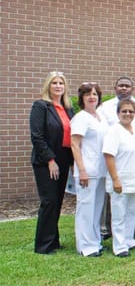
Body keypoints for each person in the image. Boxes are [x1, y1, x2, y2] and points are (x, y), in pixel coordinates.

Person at [97, 76, 135, 238]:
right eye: (120, 86)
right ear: (115, 88)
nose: (124, 88)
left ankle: (131, 237)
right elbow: (106, 148)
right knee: (117, 208)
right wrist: (114, 178)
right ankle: (115, 239)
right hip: (117, 165)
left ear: (132, 89)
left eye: (127, 86)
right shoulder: (105, 109)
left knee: (132, 208)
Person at [30, 71, 74, 255]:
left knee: (57, 201)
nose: (57, 86)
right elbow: (37, 136)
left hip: (64, 159)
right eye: (54, 83)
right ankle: (43, 245)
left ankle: (53, 241)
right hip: (46, 160)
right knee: (49, 201)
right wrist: (50, 160)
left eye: (61, 83)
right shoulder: (41, 106)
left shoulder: (68, 108)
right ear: (48, 86)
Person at [103, 99, 135, 257]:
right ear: (118, 113)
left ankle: (129, 240)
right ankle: (119, 246)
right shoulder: (114, 130)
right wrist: (115, 179)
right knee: (119, 214)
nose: (128, 114)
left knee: (131, 212)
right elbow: (108, 155)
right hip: (120, 178)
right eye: (124, 111)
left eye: (131, 111)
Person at [71, 82, 108, 257]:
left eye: (95, 94)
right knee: (85, 208)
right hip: (87, 170)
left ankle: (96, 242)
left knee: (97, 208)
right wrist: (82, 170)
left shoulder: (100, 117)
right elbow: (75, 145)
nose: (92, 97)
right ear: (82, 98)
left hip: (101, 170)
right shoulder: (81, 118)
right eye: (88, 95)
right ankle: (85, 246)